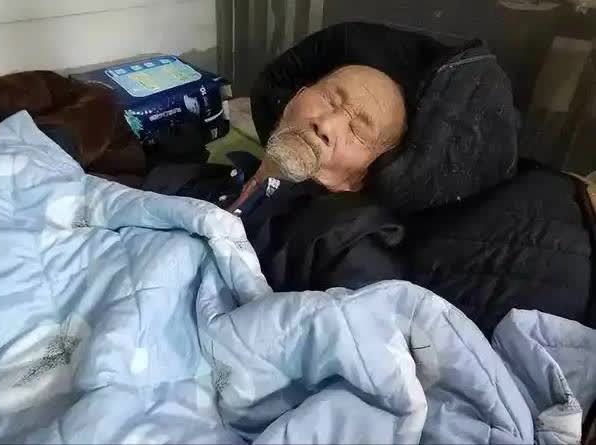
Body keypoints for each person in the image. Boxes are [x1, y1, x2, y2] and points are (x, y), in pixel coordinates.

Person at [143, 22, 594, 338]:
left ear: (361, 177)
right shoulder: (210, 177)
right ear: (295, 98)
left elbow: (361, 345)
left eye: (358, 131)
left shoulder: (347, 240)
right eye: (329, 99)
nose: (327, 124)